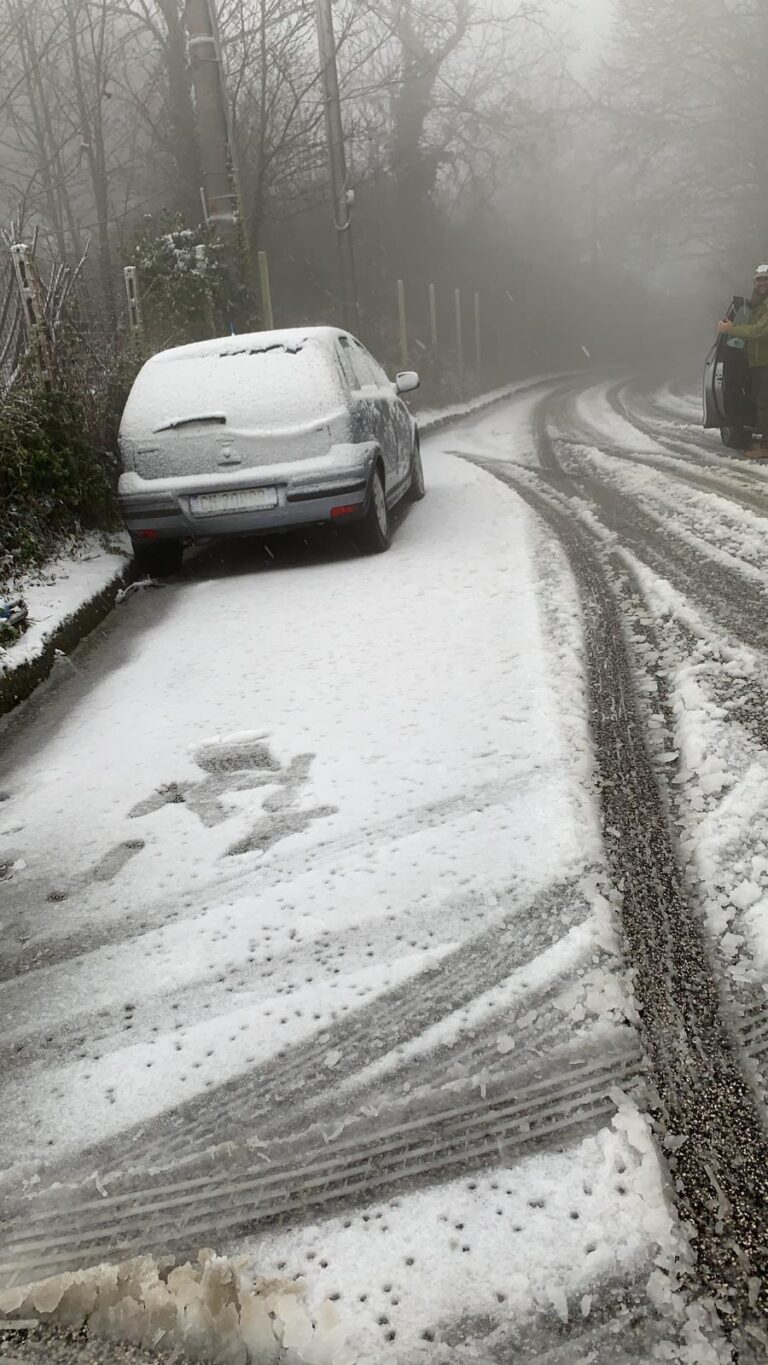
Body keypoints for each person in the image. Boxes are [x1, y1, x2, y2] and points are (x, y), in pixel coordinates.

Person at [718, 264, 768, 456]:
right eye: (759, 280)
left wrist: (731, 329)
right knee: (760, 403)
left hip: (765, 363)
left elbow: (759, 332)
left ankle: (766, 445)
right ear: (754, 283)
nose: (762, 283)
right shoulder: (756, 305)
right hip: (757, 363)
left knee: (765, 403)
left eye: (765, 279)